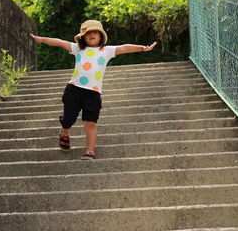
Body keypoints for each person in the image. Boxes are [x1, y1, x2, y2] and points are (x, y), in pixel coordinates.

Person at [30, 20, 157, 160]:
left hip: (93, 93)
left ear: (101, 35)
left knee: (90, 122)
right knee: (68, 119)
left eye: (95, 32)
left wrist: (142, 48)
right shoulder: (78, 48)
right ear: (82, 37)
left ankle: (90, 151)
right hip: (74, 90)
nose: (91, 35)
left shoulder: (106, 51)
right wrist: (41, 39)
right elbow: (60, 42)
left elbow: (124, 48)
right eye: (87, 33)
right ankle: (64, 132)